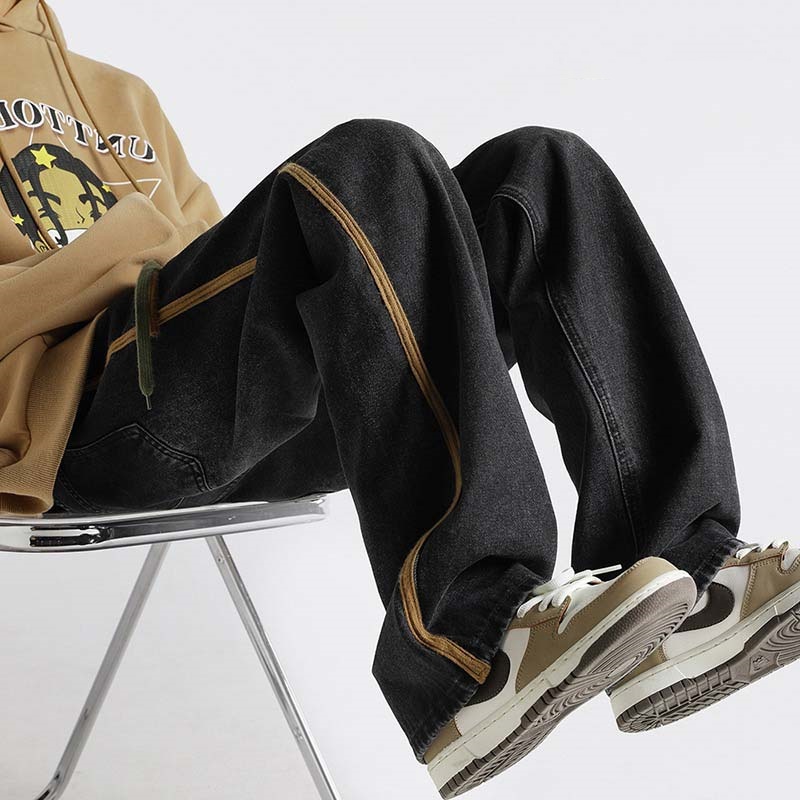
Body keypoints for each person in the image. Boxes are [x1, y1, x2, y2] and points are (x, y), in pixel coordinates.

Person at [1, 2, 798, 797]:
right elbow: (157, 268)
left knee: (540, 171)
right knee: (367, 161)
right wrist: (126, 253)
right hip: (70, 421)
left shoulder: (121, 95)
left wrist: (145, 261)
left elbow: (200, 268)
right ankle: (470, 647)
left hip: (213, 412)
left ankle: (689, 587)